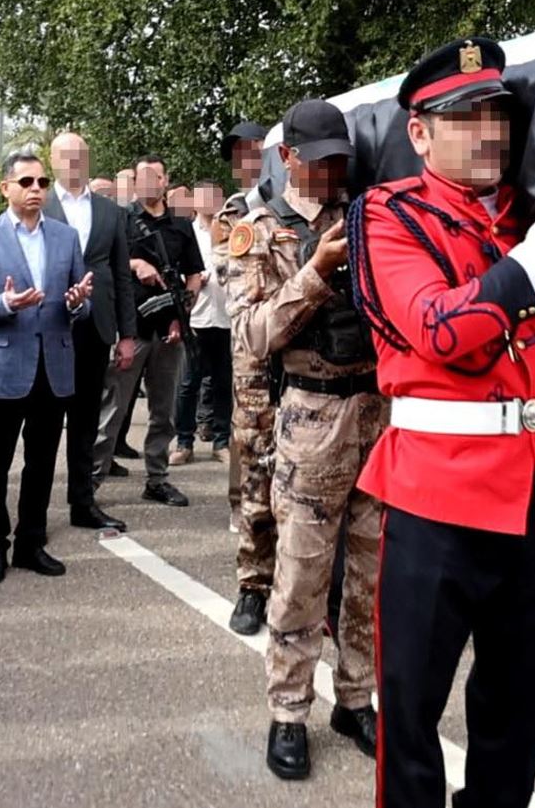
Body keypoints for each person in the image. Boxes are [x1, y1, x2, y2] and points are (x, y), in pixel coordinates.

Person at [350, 38, 535, 808]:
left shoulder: (528, 219)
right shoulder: (390, 213)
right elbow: (437, 329)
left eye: (496, 112)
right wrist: (530, 265)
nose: (489, 132)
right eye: (464, 116)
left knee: (518, 712)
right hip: (438, 492)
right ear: (421, 132)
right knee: (412, 706)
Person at [227, 99, 383, 780]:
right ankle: (289, 709)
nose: (329, 169)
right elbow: (252, 334)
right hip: (311, 413)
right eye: (316, 159)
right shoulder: (257, 229)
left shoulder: (370, 214)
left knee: (371, 572)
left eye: (337, 158)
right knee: (300, 573)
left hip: (377, 410)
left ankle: (355, 698)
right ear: (287, 157)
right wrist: (315, 274)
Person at [0, 151, 94, 585]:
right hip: (4, 367)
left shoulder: (65, 237)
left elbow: (80, 301)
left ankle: (31, 543)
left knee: (41, 462)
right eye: (27, 182)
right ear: (6, 188)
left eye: (42, 182)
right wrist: (4, 304)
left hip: (53, 366)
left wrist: (76, 304)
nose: (36, 189)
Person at [91, 155, 203, 506]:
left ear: (165, 181)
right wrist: (135, 263)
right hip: (132, 329)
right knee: (113, 409)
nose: (149, 184)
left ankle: (157, 478)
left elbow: (195, 274)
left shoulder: (181, 225)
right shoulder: (120, 220)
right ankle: (90, 480)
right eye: (142, 178)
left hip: (168, 330)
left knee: (163, 411)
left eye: (155, 177)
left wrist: (180, 315)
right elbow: (103, 263)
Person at [44, 131, 136, 532]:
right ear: (52, 161)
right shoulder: (39, 205)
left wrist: (127, 333)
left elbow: (121, 274)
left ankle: (83, 502)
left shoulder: (109, 211)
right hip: (49, 323)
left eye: (80, 154)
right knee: (45, 420)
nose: (74, 162)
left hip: (96, 326)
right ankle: (35, 509)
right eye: (66, 155)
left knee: (85, 421)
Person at [215, 119, 278, 635]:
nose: (251, 158)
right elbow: (233, 285)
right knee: (256, 471)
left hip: (311, 366)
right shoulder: (235, 215)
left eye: (258, 149)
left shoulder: (311, 205)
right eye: (243, 152)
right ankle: (253, 586)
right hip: (255, 367)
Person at [172, 181, 233, 465]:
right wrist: (193, 282)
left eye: (215, 196)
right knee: (188, 383)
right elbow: (176, 272)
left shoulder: (231, 232)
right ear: (194, 202)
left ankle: (221, 441)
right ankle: (184, 442)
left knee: (223, 382)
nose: (210, 202)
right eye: (204, 196)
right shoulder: (185, 232)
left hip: (225, 317)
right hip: (195, 318)